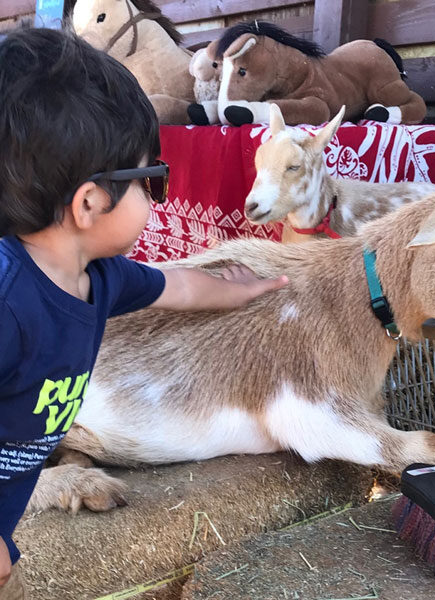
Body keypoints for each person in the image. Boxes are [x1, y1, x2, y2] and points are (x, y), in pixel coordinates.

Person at [0, 26, 288, 598]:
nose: (157, 196)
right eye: (151, 178)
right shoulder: (9, 304)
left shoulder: (96, 278)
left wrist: (237, 288)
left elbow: (176, 288)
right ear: (90, 202)